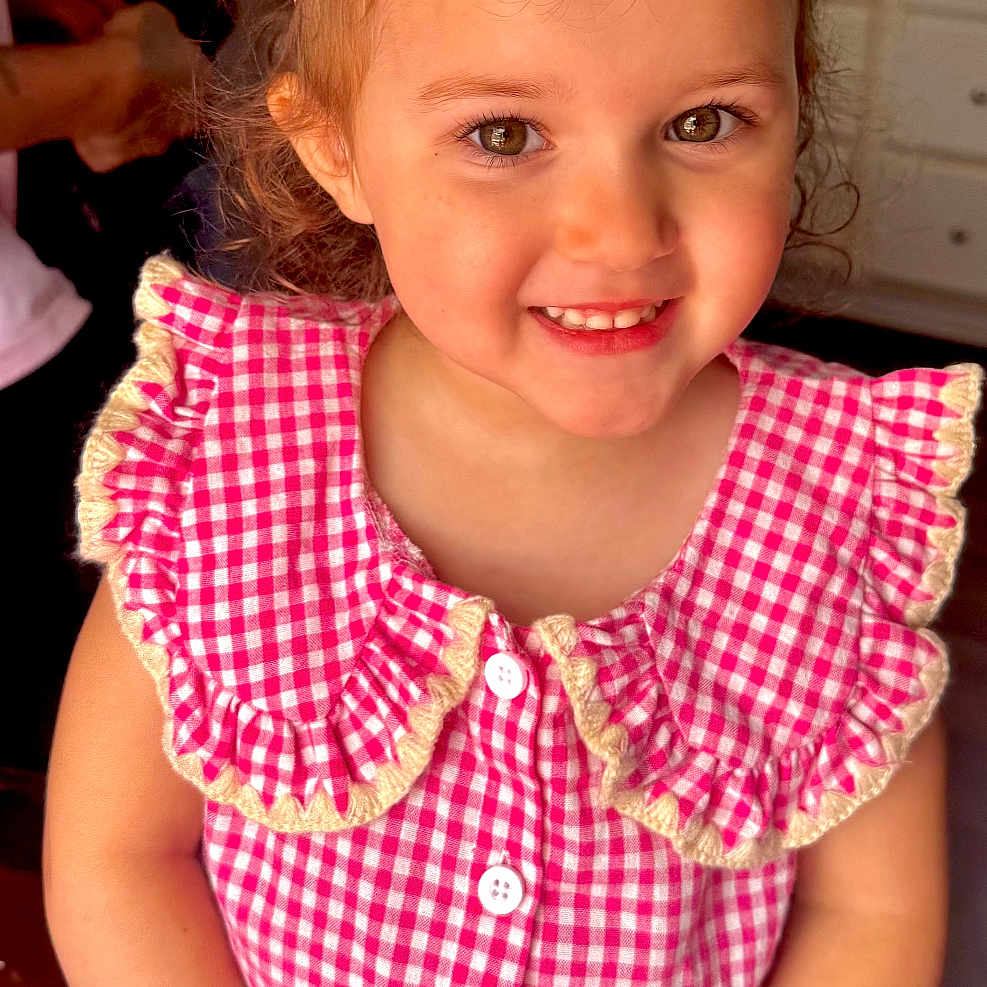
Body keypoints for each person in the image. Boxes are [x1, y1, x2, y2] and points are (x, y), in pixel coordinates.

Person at [43, 0, 982, 984]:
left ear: (794, 116)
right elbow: (119, 857)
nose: (621, 233)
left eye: (702, 122)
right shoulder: (237, 455)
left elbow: (869, 911)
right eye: (504, 135)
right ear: (335, 151)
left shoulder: (843, 502)